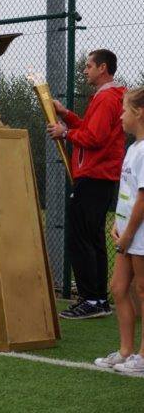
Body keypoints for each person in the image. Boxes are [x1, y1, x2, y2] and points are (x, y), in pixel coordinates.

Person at [47, 49, 125, 319]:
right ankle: (98, 299)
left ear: (102, 68)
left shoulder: (106, 99)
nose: (85, 70)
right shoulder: (106, 97)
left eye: (89, 66)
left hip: (94, 176)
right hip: (99, 176)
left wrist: (64, 132)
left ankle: (91, 299)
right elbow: (90, 129)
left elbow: (95, 137)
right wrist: (66, 115)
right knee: (92, 238)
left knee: (81, 238)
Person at [94, 88, 144, 374]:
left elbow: (142, 198)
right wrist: (117, 223)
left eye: (125, 111)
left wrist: (128, 234)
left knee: (142, 290)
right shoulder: (132, 148)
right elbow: (126, 193)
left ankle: (142, 355)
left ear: (139, 113)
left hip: (139, 236)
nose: (121, 116)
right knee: (118, 288)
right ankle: (126, 351)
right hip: (127, 234)